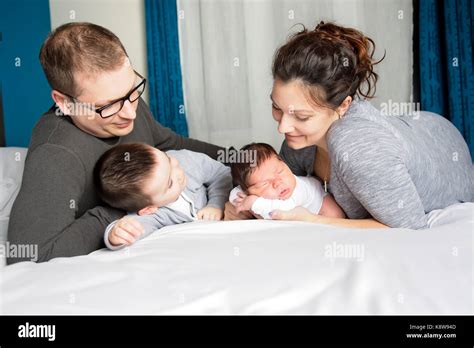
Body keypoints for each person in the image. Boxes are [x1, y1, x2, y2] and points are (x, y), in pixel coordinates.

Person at [7, 22, 226, 264]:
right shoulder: (56, 155)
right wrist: (123, 208)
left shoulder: (125, 101)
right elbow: (30, 253)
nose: (131, 114)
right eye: (109, 106)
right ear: (65, 103)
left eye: (133, 92)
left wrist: (246, 160)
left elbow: (170, 142)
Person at [224, 21, 473, 229]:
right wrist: (236, 206)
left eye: (301, 116)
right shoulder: (298, 143)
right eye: (277, 108)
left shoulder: (358, 147)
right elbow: (266, 184)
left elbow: (409, 227)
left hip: (441, 147)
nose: (283, 127)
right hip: (410, 128)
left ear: (343, 106)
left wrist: (312, 220)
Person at [94, 143, 232, 250]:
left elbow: (222, 175)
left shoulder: (186, 160)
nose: (178, 172)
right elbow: (136, 225)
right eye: (170, 183)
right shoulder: (157, 214)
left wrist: (215, 204)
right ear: (148, 209)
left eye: (169, 160)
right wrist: (116, 233)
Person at [229, 143, 345, 219]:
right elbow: (234, 195)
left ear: (285, 164)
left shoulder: (298, 189)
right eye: (265, 183)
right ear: (248, 190)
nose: (277, 182)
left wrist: (253, 203)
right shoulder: (248, 191)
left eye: (280, 171)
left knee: (334, 220)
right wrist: (245, 198)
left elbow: (285, 209)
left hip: (323, 208)